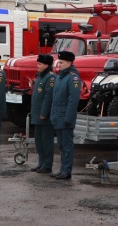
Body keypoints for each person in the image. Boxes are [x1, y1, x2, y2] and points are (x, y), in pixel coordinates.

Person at [50, 50, 81, 180]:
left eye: (61, 62)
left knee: (67, 146)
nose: (59, 64)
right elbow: (55, 99)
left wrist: (68, 118)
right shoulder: (60, 78)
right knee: (61, 145)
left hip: (65, 117)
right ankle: (62, 169)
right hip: (58, 116)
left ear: (69, 63)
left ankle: (67, 171)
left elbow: (73, 101)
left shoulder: (73, 78)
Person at [30, 53, 56, 173]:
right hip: (37, 114)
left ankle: (47, 164)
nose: (37, 66)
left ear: (46, 65)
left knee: (46, 141)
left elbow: (48, 97)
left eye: (40, 64)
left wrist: (44, 113)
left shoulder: (50, 78)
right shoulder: (40, 76)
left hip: (45, 116)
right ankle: (41, 162)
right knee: (38, 141)